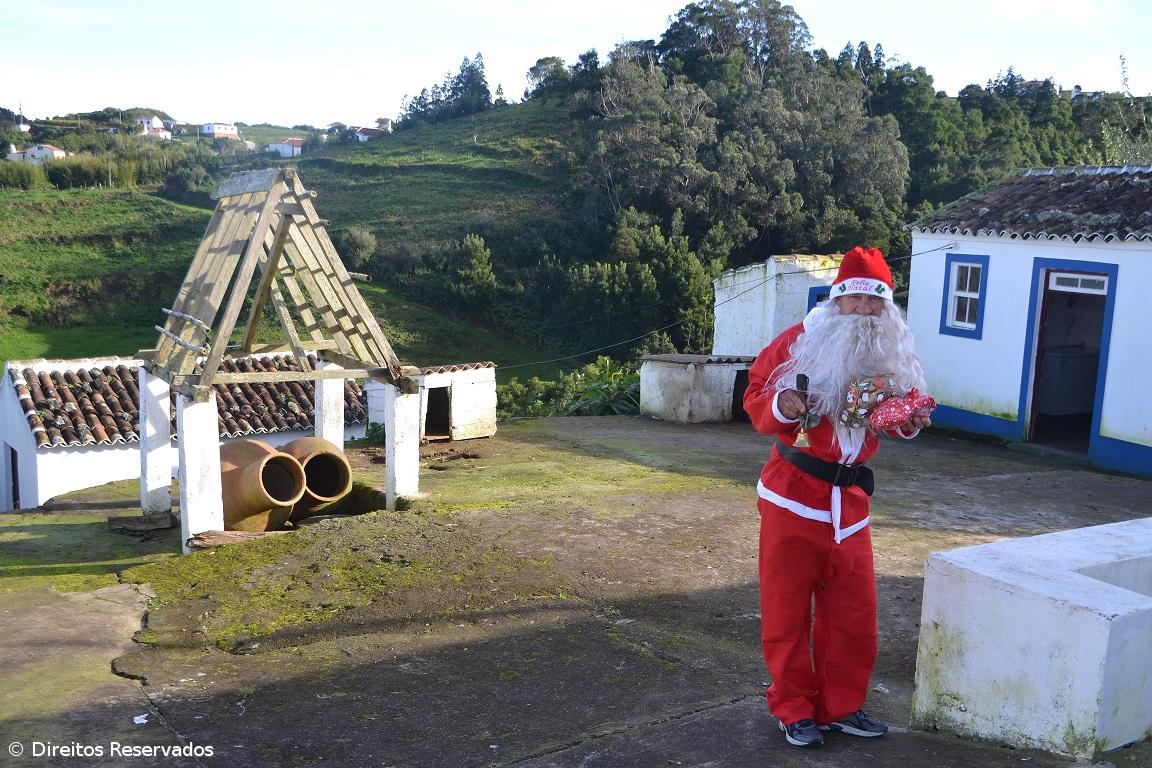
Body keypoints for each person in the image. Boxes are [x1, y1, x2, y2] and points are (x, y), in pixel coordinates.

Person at [742, 246, 932, 749]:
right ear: (838, 301)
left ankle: (840, 706)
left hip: (850, 507)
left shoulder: (887, 356)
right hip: (792, 498)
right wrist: (783, 402)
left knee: (853, 617)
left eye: (876, 303)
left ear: (886, 309)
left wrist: (906, 424)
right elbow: (756, 395)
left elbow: (887, 422)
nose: (866, 312)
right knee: (785, 613)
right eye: (857, 301)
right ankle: (793, 708)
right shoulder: (798, 342)